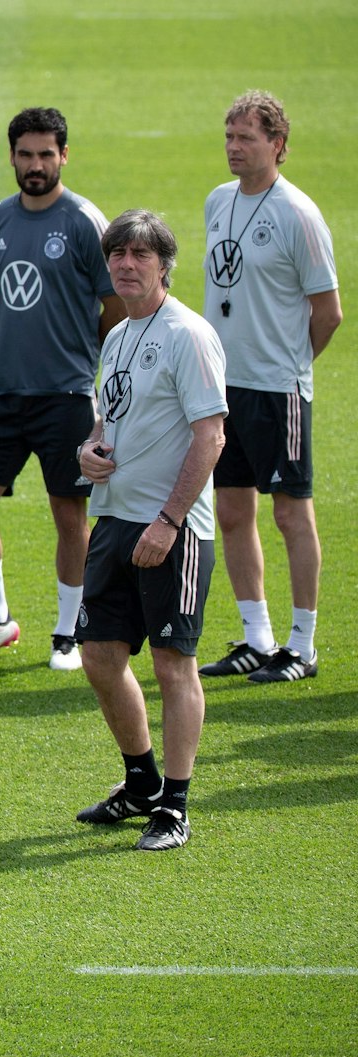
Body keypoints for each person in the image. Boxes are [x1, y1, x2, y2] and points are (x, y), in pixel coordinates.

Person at [73, 210, 227, 853]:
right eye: (118, 255)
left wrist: (169, 520)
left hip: (174, 527)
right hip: (114, 517)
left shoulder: (188, 334)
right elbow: (110, 419)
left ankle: (176, 804)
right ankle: (140, 782)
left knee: (172, 664)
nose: (126, 265)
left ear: (164, 264)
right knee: (100, 656)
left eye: (140, 255)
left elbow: (211, 434)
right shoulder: (119, 335)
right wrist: (92, 448)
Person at [0, 107, 123, 669]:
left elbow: (114, 308)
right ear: (12, 156)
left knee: (68, 514)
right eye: (25, 154)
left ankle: (68, 630)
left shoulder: (84, 222)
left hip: (67, 394)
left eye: (46, 154)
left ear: (64, 156)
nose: (35, 165)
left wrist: (81, 356)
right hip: (1, 391)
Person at [200, 90, 341, 683]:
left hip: (277, 391)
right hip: (222, 389)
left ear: (278, 145)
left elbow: (328, 311)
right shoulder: (217, 202)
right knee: (233, 511)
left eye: (246, 138)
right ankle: (257, 638)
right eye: (229, 137)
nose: (234, 148)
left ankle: (302, 646)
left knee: (290, 515)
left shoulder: (299, 214)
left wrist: (289, 367)